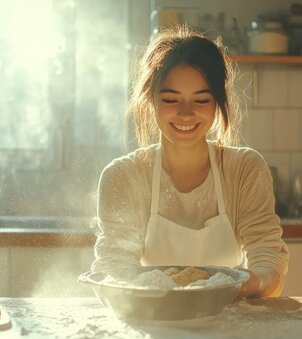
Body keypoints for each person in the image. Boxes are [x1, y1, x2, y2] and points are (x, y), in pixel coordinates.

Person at [91, 26, 288, 298]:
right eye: (171, 99)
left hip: (230, 318)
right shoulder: (124, 176)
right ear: (151, 100)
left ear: (218, 103)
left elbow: (268, 258)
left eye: (201, 100)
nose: (186, 113)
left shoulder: (244, 169)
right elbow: (115, 264)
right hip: (153, 319)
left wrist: (250, 284)